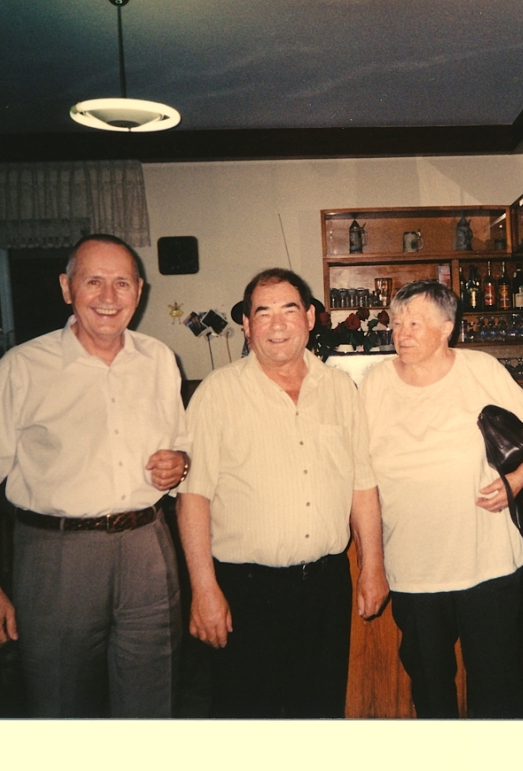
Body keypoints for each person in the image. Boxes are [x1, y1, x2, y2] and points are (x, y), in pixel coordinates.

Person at [0, 233, 191, 718]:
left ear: (139, 291)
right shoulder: (22, 368)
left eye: (122, 283)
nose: (108, 297)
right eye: (93, 281)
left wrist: (179, 464)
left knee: (152, 704)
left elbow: (179, 449)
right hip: (56, 558)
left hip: (148, 547)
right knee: (60, 708)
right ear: (67, 287)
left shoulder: (160, 360)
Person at [176, 268, 388, 718]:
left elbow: (362, 485)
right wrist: (203, 588)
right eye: (263, 312)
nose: (277, 324)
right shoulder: (218, 392)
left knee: (320, 713)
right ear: (247, 326)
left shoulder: (339, 389)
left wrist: (373, 568)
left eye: (289, 310)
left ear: (311, 318)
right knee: (250, 722)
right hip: (247, 592)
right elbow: (193, 497)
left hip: (326, 588)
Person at [360, 279, 523, 718]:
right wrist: (371, 564)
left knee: (498, 686)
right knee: (431, 691)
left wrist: (520, 478)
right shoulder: (375, 383)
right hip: (413, 568)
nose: (401, 333)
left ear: (446, 328)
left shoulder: (479, 369)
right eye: (396, 323)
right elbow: (361, 477)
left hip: (485, 561)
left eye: (415, 323)